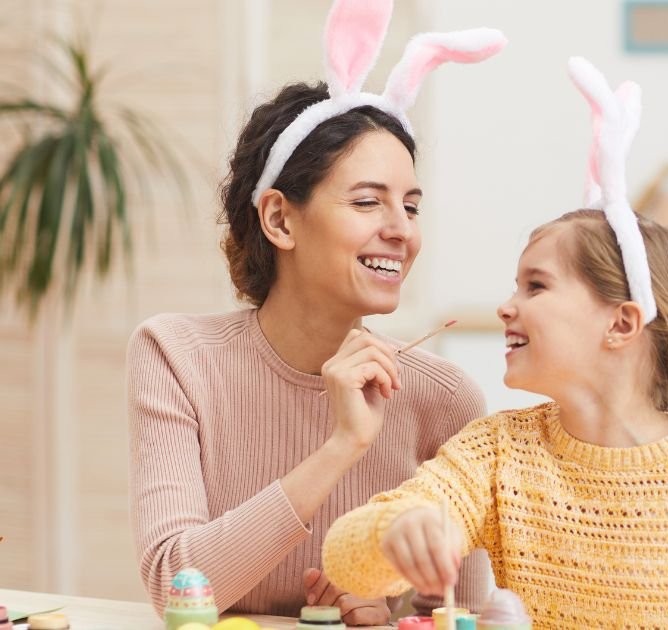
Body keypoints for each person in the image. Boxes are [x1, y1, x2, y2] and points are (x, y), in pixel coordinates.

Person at [320, 58, 668, 629]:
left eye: (536, 286)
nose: (506, 305)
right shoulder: (498, 456)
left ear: (622, 324)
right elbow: (347, 563)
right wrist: (393, 531)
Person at [126, 1, 506, 624]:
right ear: (279, 218)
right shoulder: (177, 357)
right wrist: (344, 444)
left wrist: (388, 616)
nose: (400, 231)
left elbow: (459, 612)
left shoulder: (445, 400)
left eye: (411, 207)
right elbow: (176, 585)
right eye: (367, 202)